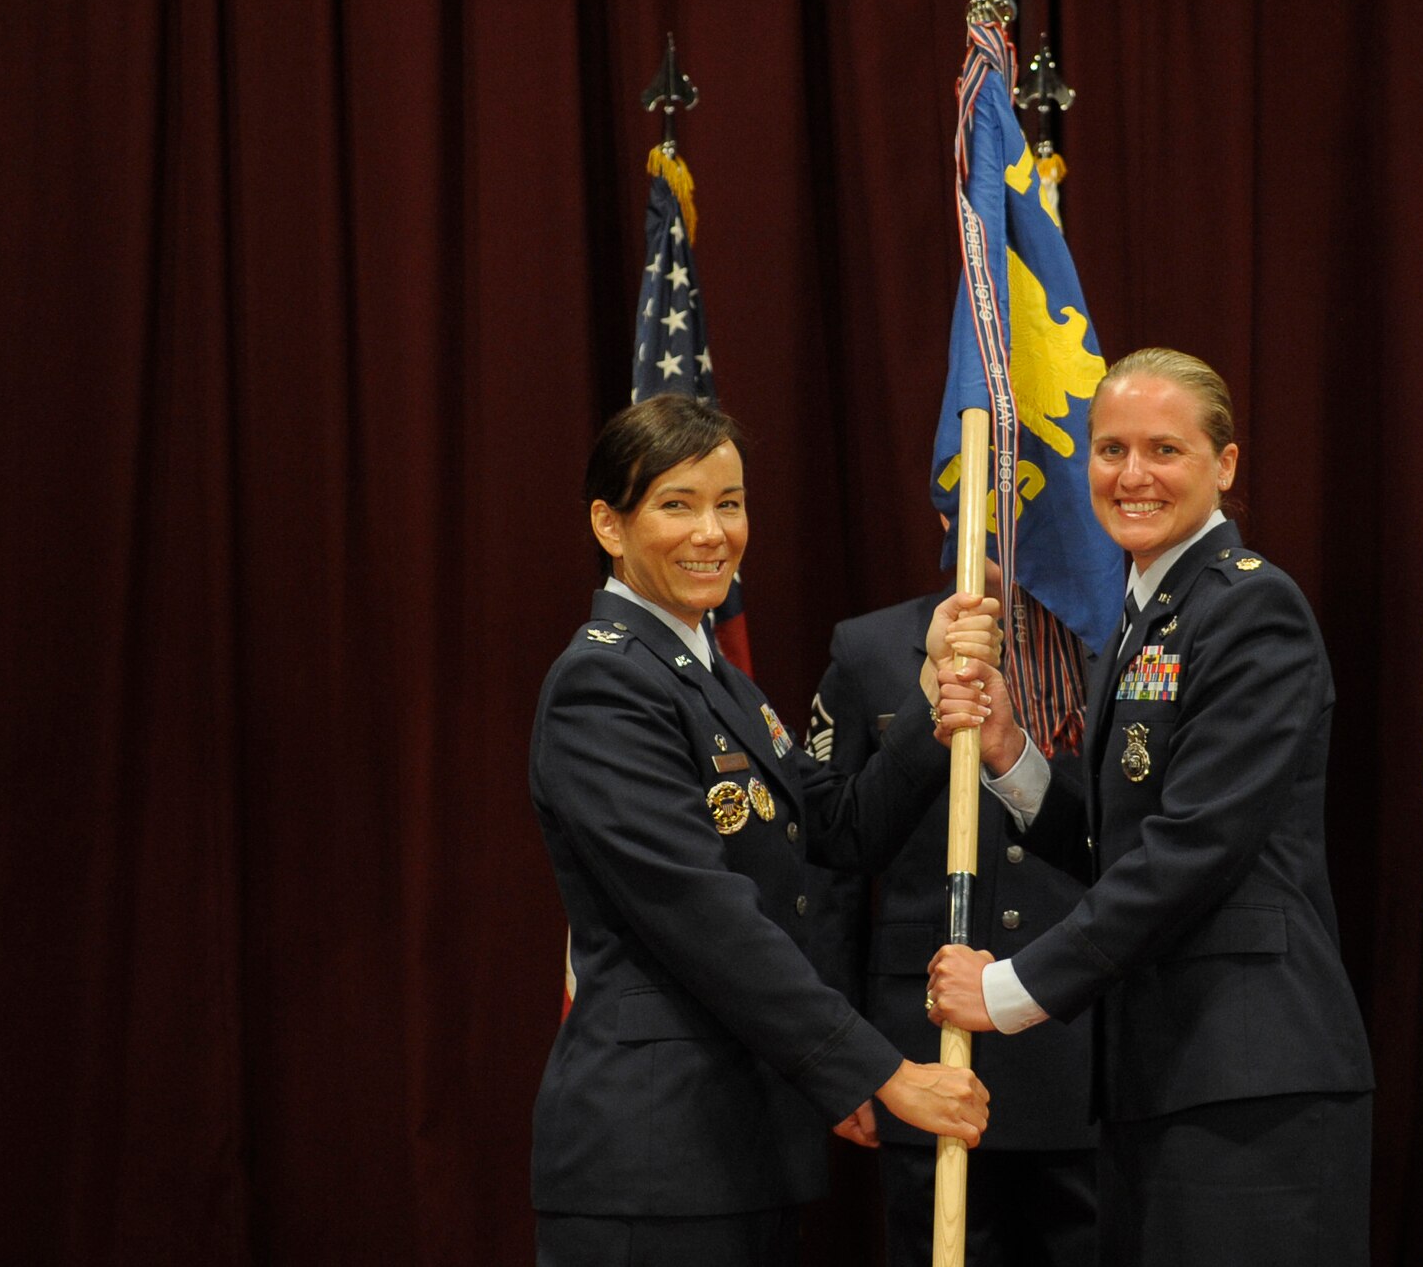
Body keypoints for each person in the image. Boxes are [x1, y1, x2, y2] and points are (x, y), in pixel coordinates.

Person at [926, 348, 1376, 1266]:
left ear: (1227, 465)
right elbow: (1117, 836)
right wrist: (1013, 754)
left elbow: (1193, 850)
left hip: (1250, 1085)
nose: (1132, 475)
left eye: (1164, 449)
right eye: (1109, 449)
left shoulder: (1252, 610)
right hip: (1162, 1077)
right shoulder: (1144, 613)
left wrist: (1008, 991)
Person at [529, 394, 996, 1267]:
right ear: (609, 523)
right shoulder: (606, 685)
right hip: (653, 1162)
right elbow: (709, 921)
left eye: (730, 503)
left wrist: (932, 690)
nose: (713, 532)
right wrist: (882, 1071)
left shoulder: (714, 679)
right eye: (678, 504)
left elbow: (844, 827)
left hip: (738, 1150)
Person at [807, 573, 1097, 1267]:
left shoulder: (1114, 638)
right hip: (925, 1052)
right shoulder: (869, 647)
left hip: (1083, 1050)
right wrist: (844, 1056)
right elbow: (833, 870)